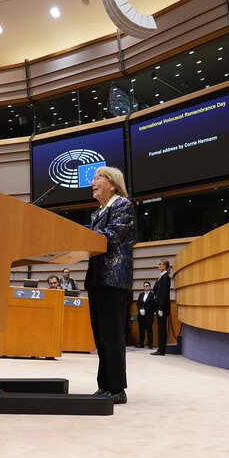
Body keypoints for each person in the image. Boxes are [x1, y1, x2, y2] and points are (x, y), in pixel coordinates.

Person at [85, 166, 136, 405]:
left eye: (98, 178)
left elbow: (113, 235)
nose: (92, 182)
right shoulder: (96, 213)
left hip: (114, 280)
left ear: (113, 184)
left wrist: (80, 234)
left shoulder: (123, 205)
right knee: (101, 336)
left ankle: (117, 388)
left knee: (112, 335)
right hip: (96, 279)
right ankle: (105, 385)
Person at [151, 259, 171, 356]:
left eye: (160, 264)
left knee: (162, 328)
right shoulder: (161, 277)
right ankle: (160, 348)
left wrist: (161, 308)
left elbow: (164, 294)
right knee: (160, 328)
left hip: (162, 307)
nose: (158, 265)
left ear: (165, 266)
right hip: (158, 306)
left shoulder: (165, 277)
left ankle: (161, 349)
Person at [136, 281, 156, 348]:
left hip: (149, 315)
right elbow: (138, 303)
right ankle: (141, 344)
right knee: (141, 330)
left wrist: (145, 310)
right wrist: (140, 309)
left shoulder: (152, 295)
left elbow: (152, 305)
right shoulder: (141, 294)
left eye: (147, 285)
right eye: (144, 286)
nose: (145, 287)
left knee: (149, 329)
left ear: (150, 287)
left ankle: (150, 344)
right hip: (141, 315)